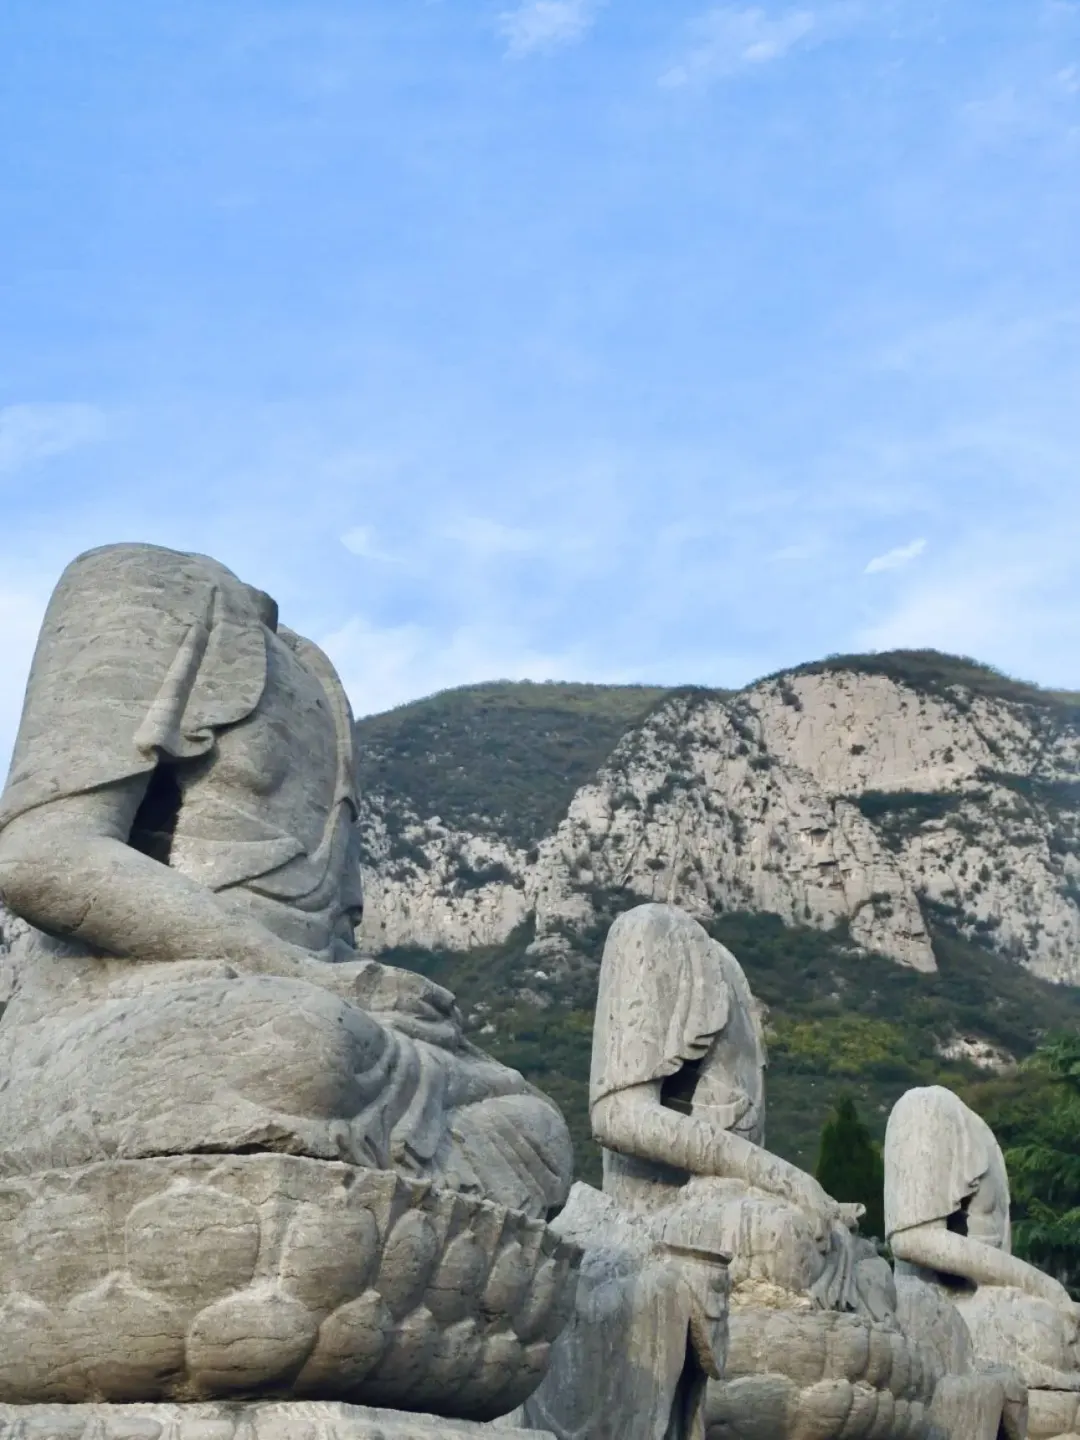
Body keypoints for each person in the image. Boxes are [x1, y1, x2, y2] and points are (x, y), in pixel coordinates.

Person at [0, 542, 571, 1218]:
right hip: (132, 1003)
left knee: (534, 1129)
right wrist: (306, 977)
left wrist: (377, 993)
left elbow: (335, 941)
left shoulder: (315, 675)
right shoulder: (135, 582)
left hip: (319, 1009)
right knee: (299, 1044)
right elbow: (40, 856)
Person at [588, 903, 886, 1313]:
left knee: (871, 1269)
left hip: (727, 1196)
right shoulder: (650, 928)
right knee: (785, 1236)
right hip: (655, 1213)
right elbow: (617, 1117)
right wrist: (785, 1178)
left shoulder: (726, 963)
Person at [886, 1085, 1080, 1423]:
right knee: (1043, 1330)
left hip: (982, 1303)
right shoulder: (927, 1104)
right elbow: (913, 1238)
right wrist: (1044, 1286)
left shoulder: (972, 1127)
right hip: (939, 1313)